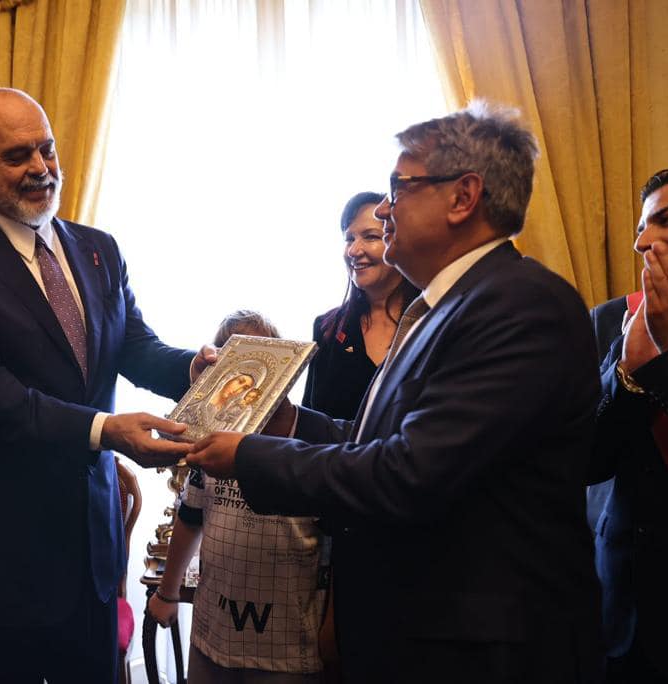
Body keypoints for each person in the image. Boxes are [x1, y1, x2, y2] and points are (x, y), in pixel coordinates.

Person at [187, 102, 604, 683]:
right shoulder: (442, 307)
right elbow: (373, 442)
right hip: (419, 634)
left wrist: (248, 456)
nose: (384, 209)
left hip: (479, 653)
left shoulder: (520, 305)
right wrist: (279, 420)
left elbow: (410, 472)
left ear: (463, 196)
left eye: (398, 188)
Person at [0, 87, 213, 683]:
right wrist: (106, 430)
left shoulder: (99, 249)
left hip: (90, 551)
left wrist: (193, 370)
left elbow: (134, 347)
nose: (41, 168)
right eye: (17, 155)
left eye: (46, 149)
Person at [148, 310, 326, 683]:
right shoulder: (212, 437)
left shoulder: (316, 434)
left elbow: (336, 542)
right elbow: (190, 516)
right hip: (213, 632)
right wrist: (167, 592)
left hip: (287, 642)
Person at [588, 166, 668, 683]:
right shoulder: (612, 319)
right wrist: (628, 374)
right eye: (642, 227)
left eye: (667, 220)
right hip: (629, 604)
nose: (643, 242)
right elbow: (586, 459)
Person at [302, 191, 419, 420]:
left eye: (371, 237)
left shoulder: (431, 318)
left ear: (399, 241)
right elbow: (308, 421)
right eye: (349, 239)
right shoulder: (327, 328)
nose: (354, 251)